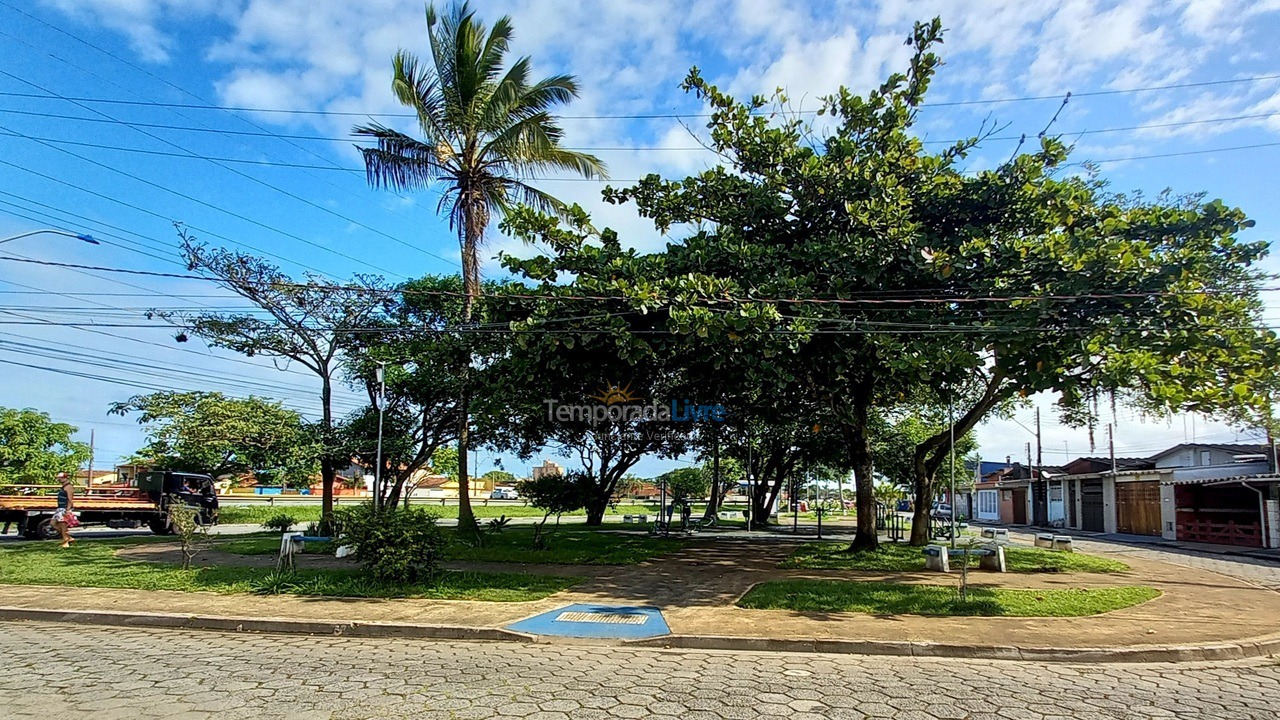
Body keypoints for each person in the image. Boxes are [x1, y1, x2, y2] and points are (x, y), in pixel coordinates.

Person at [51, 473, 76, 548]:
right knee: (52, 523)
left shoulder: (68, 487)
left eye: (60, 478)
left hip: (64, 509)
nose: (58, 479)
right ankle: (69, 538)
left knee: (63, 526)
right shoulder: (63, 486)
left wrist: (67, 510)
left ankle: (66, 543)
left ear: (65, 478)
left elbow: (70, 499)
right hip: (60, 508)